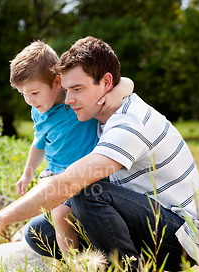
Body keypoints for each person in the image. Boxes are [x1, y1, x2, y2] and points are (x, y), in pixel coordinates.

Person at [0, 36, 199, 272]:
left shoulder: (128, 123)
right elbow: (122, 83)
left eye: (77, 89)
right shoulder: (102, 113)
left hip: (183, 238)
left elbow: (69, 182)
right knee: (38, 232)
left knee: (82, 190)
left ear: (106, 83)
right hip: (148, 219)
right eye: (67, 90)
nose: (68, 100)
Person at [10, 41, 134, 256]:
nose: (29, 101)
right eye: (23, 95)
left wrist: (114, 95)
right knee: (54, 216)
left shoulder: (77, 98)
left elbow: (127, 83)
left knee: (68, 214)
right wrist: (27, 173)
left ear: (57, 82)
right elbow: (38, 144)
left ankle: (81, 267)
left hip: (88, 174)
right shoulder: (39, 112)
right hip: (55, 173)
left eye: (35, 93)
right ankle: (78, 264)